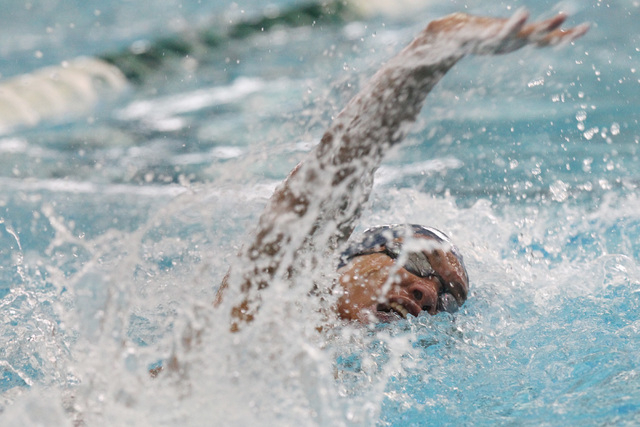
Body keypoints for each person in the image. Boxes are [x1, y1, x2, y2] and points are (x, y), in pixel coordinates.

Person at [215, 10, 588, 331]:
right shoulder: (257, 310)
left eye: (447, 299)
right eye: (419, 261)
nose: (427, 294)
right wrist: (436, 49)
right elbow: (344, 164)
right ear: (357, 255)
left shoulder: (348, 386)